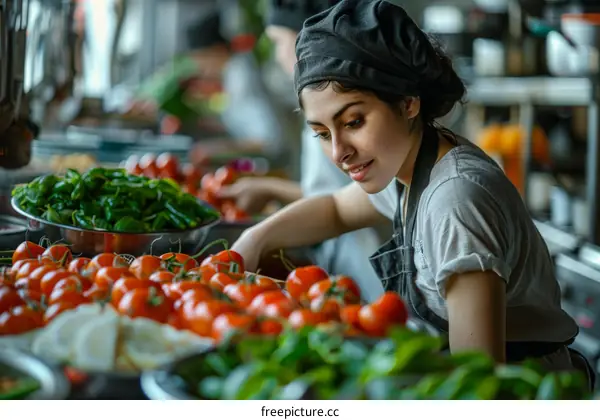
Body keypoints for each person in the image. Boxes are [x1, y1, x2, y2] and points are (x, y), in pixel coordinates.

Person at [231, 0, 595, 384]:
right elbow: (337, 210)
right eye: (322, 133)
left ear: (408, 102)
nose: (338, 152)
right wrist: (253, 240)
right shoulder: (411, 169)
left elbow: (478, 378)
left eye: (354, 121)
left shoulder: (455, 201)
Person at [219, 0, 387, 303]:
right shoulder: (319, 101)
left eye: (277, 42)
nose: (277, 53)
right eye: (323, 133)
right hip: (344, 264)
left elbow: (342, 198)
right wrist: (257, 235)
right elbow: (335, 201)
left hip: (369, 266)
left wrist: (267, 197)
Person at [130, 7, 287, 162]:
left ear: (216, 50)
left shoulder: (241, 78)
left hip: (270, 165)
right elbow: (242, 120)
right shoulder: (233, 73)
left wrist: (214, 148)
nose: (201, 69)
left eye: (202, 60)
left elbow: (268, 139)